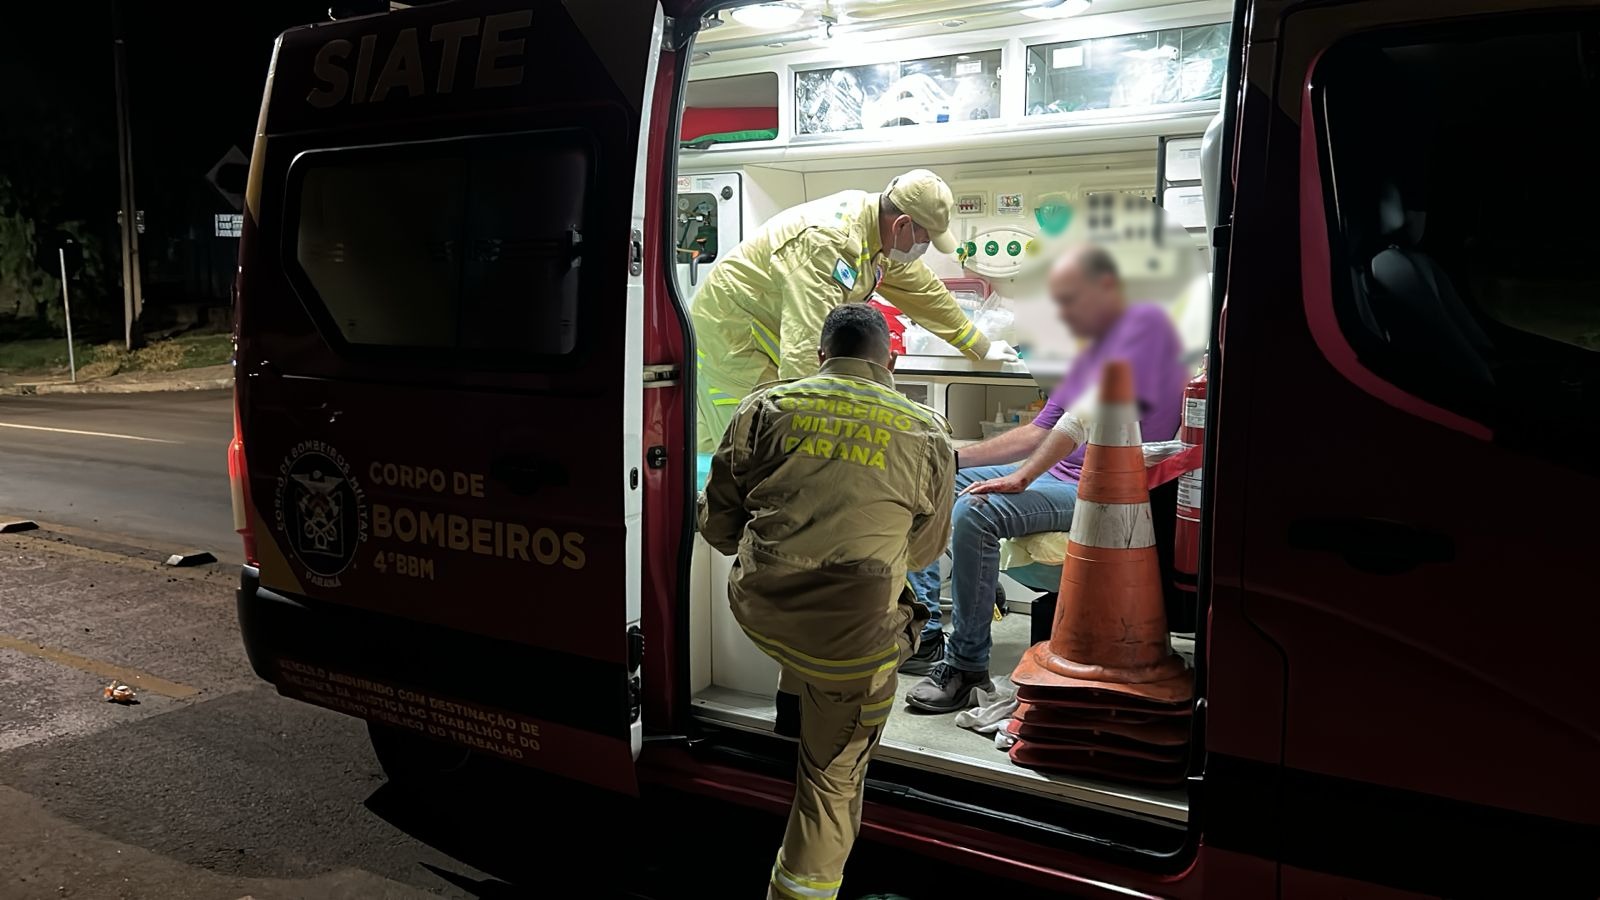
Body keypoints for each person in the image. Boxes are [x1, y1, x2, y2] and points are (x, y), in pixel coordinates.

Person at [699, 304, 955, 900]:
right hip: (849, 639)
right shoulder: (926, 431)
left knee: (809, 588)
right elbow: (922, 551)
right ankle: (800, 891)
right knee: (832, 780)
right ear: (887, 361)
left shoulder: (764, 406)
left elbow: (717, 528)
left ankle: (796, 710)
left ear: (820, 356)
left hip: (760, 608)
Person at [902, 245, 1185, 713]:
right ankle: (929, 629)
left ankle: (967, 664)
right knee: (933, 482)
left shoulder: (1147, 335)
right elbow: (1039, 432)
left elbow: (1076, 421)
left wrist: (1020, 479)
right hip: (1057, 472)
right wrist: (952, 461)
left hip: (1099, 489)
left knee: (977, 510)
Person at [691, 169, 1018, 452]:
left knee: (744, 450)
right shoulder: (827, 243)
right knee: (752, 450)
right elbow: (806, 350)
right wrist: (819, 442)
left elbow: (924, 291)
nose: (926, 248)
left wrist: (979, 345)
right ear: (903, 225)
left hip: (766, 339)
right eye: (926, 239)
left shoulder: (876, 234)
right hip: (732, 341)